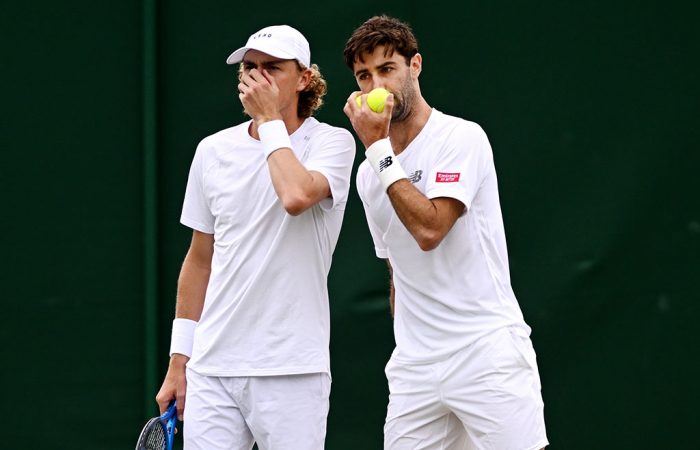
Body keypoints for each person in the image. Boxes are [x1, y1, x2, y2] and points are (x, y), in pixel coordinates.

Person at [343, 15, 548, 449]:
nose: (375, 86)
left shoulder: (461, 137)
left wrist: (378, 148)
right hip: (415, 369)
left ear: (415, 66)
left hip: (485, 353)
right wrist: (411, 339)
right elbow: (397, 267)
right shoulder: (367, 177)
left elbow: (430, 229)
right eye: (364, 76)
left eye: (387, 69)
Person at [155, 24, 355, 450]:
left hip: (293, 369)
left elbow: (297, 195)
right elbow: (199, 259)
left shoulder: (332, 143)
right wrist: (180, 361)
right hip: (211, 368)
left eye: (272, 69)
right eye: (249, 68)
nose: (256, 79)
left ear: (304, 79)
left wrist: (267, 120)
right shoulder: (211, 150)